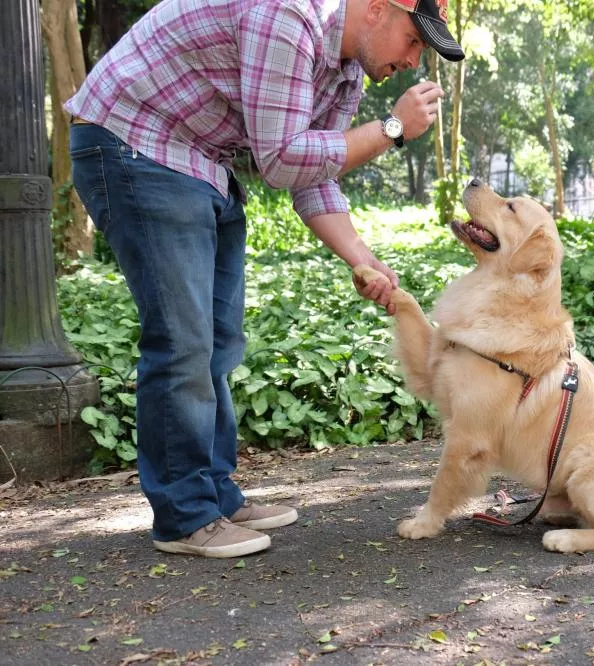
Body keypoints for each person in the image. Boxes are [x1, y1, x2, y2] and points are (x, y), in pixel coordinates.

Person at [65, 0, 464, 559]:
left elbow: (312, 176)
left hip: (201, 157)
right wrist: (391, 128)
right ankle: (184, 517)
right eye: (414, 40)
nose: (414, 59)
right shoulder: (287, 15)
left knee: (220, 340)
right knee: (184, 342)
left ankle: (215, 496)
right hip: (135, 142)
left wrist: (363, 259)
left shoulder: (344, 70)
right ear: (377, 9)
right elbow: (281, 159)